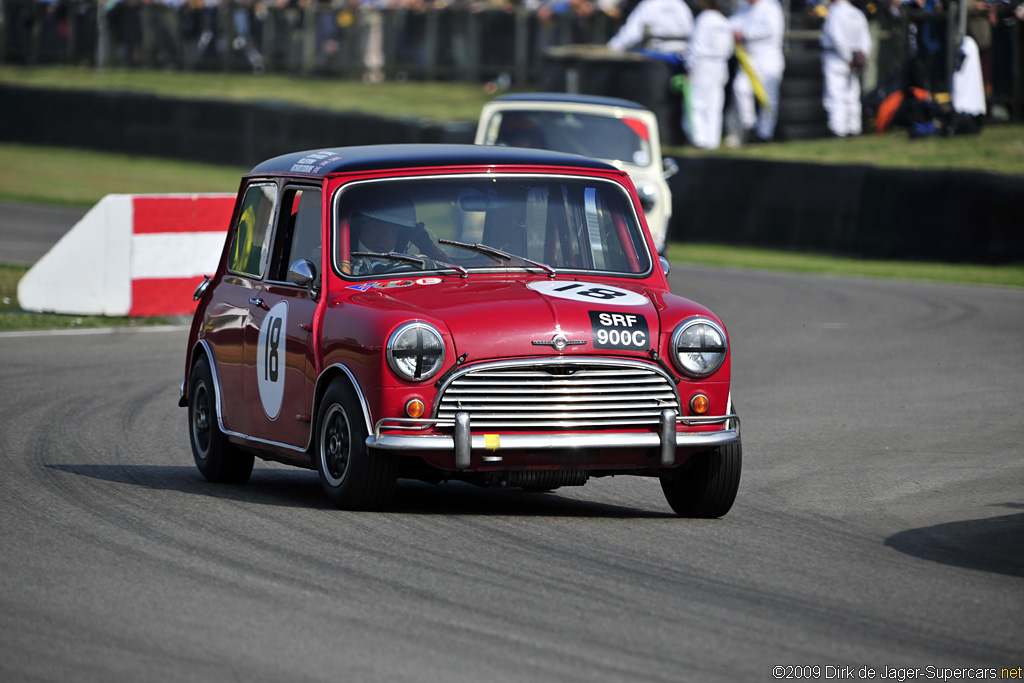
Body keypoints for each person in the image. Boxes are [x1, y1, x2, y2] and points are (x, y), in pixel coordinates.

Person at [727, 0, 785, 143]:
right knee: (740, 88)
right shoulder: (745, 8)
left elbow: (770, 30)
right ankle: (749, 125)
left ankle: (765, 133)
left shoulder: (771, 7)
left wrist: (744, 34)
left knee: (768, 97)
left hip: (768, 57)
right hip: (748, 58)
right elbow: (732, 23)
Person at [683, 0, 734, 149]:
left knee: (697, 103)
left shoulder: (704, 19)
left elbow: (696, 47)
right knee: (714, 104)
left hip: (703, 63)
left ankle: (699, 139)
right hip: (720, 64)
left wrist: (689, 68)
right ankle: (712, 140)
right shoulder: (723, 21)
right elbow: (730, 48)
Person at [820, 0, 872, 137]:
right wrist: (860, 58)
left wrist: (848, 57)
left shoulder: (835, 13)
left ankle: (838, 129)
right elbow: (865, 40)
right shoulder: (857, 13)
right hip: (853, 59)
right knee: (852, 95)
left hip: (836, 58)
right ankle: (854, 127)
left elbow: (837, 38)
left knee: (835, 94)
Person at [606, 0, 695, 62]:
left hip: (656, 61)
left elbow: (630, 35)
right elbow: (691, 33)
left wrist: (611, 48)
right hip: (681, 59)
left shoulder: (649, 5)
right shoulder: (682, 6)